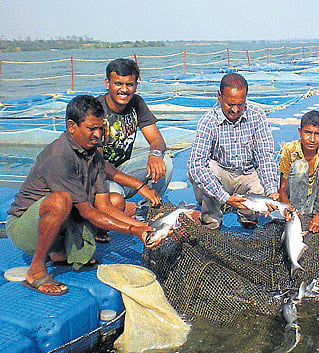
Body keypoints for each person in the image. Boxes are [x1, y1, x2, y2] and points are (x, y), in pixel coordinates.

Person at [5, 95, 160, 296]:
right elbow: (88, 212)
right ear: (71, 126)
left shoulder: (93, 154)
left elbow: (104, 206)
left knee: (115, 200)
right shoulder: (59, 157)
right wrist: (133, 230)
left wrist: (142, 227)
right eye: (91, 129)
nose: (98, 135)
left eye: (100, 128)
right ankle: (35, 270)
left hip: (62, 223)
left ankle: (60, 253)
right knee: (62, 201)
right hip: (24, 228)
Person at [187, 73, 279, 230]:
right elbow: (196, 166)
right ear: (219, 97)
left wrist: (271, 191)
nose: (235, 110)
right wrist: (225, 198)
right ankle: (212, 218)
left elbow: (265, 157)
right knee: (206, 169)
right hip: (222, 176)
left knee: (262, 182)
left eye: (241, 104)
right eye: (230, 104)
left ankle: (247, 214)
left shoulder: (257, 116)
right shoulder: (208, 121)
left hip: (246, 174)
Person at [97, 58, 173, 206]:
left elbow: (156, 139)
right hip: (99, 177)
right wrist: (139, 186)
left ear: (136, 85)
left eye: (129, 84)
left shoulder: (137, 103)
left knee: (165, 161)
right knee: (114, 200)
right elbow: (98, 165)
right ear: (107, 83)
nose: (124, 90)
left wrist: (155, 154)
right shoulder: (96, 110)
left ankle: (147, 212)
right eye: (118, 84)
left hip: (121, 169)